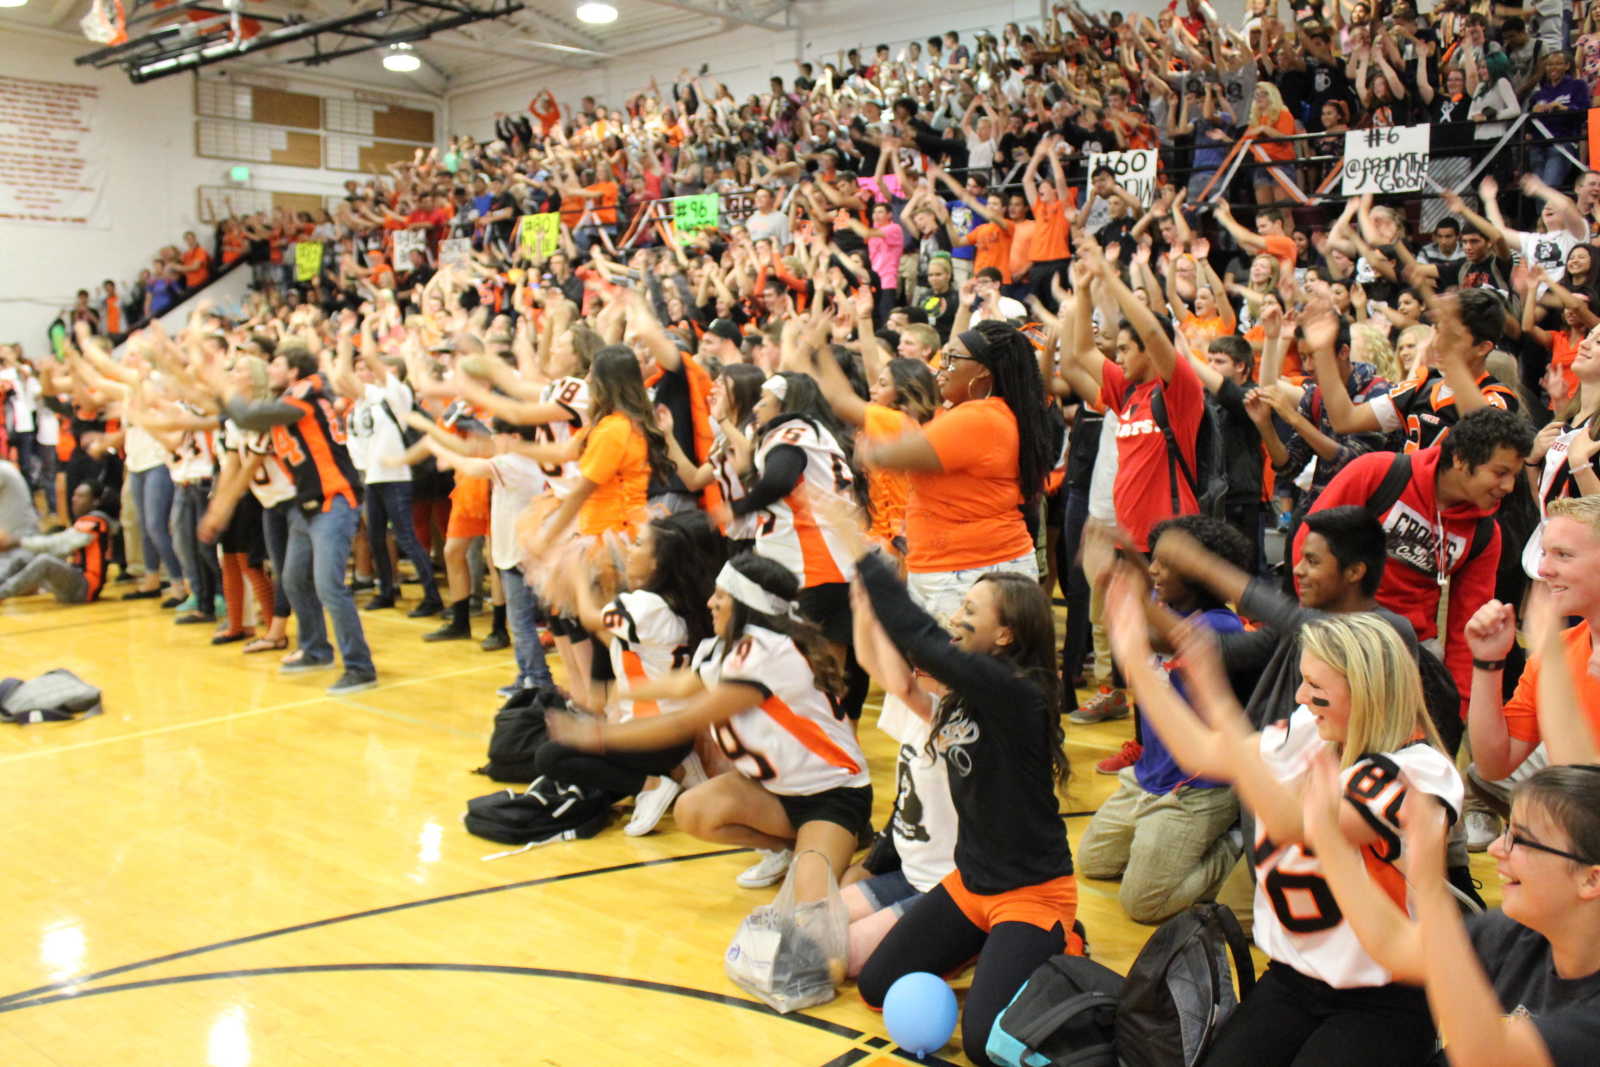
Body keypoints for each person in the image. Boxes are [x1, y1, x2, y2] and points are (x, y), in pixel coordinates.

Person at [1107, 576, 1462, 1067]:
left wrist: (1217, 698)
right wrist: (1137, 662)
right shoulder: (1313, 729)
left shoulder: (1420, 772)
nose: (1299, 695)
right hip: (1294, 978)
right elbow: (1203, 752)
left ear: (1366, 692)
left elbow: (1298, 824)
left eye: (1315, 686)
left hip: (1383, 997)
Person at [848, 520, 1076, 1067]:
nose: (956, 618)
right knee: (876, 987)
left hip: (1032, 894)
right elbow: (901, 676)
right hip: (969, 884)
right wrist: (864, 607)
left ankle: (1065, 945)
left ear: (1005, 636)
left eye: (970, 611)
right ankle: (998, 951)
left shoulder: (1019, 695)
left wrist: (867, 562)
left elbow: (924, 640)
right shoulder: (964, 695)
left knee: (983, 1046)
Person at [547, 552, 871, 894]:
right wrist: (614, 691)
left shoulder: (765, 654)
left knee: (812, 906)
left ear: (746, 604)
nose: (709, 603)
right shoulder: (731, 647)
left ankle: (843, 840)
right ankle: (790, 848)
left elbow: (683, 722)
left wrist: (598, 736)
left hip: (833, 795)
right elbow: (682, 685)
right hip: (776, 793)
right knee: (693, 809)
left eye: (720, 596)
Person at [1303, 758, 1600, 1067]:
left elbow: (1485, 1056)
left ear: (1591, 880)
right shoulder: (1518, 934)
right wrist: (1329, 841)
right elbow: (1393, 942)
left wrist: (1430, 888)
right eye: (1505, 831)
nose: (1496, 848)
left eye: (1520, 839)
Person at [1298, 406, 1534, 716]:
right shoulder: (1378, 472)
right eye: (1500, 473)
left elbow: (1468, 625)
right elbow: (1308, 547)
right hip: (1337, 635)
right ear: (1461, 459)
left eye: (1514, 475)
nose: (1509, 486)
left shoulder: (1485, 534)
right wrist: (1317, 628)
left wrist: (1458, 709)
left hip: (1409, 655)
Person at [1077, 515, 1253, 924]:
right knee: (1094, 861)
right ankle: (1163, 843)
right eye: (1152, 560)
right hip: (1150, 775)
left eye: (1166, 564)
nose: (1154, 570)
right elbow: (1150, 608)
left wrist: (1107, 581)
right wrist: (1133, 564)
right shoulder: (1166, 605)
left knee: (1144, 904)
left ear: (1198, 573)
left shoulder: (1222, 626)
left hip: (1197, 789)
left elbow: (1155, 635)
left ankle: (1235, 844)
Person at [536, 511, 722, 835]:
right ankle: (675, 769)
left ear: (658, 563)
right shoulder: (682, 603)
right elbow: (620, 644)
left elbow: (591, 618)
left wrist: (579, 577)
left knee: (550, 757)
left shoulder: (644, 607)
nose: (630, 551)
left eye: (637, 544)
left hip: (650, 736)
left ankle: (651, 784)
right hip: (677, 733)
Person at [211, 340, 378, 696]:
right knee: (294, 579)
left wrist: (220, 383)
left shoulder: (304, 397)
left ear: (293, 371)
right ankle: (316, 649)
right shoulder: (291, 398)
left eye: (276, 364)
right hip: (306, 503)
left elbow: (247, 417)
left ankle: (360, 667)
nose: (269, 369)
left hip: (334, 499)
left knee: (329, 585)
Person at [0, 482, 115, 604]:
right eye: (74, 495)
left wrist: (19, 542)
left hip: (84, 589)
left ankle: (2, 593)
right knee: (24, 559)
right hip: (75, 582)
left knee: (44, 561)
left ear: (95, 502)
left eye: (81, 496)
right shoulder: (87, 521)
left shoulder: (94, 523)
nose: (74, 499)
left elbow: (58, 544)